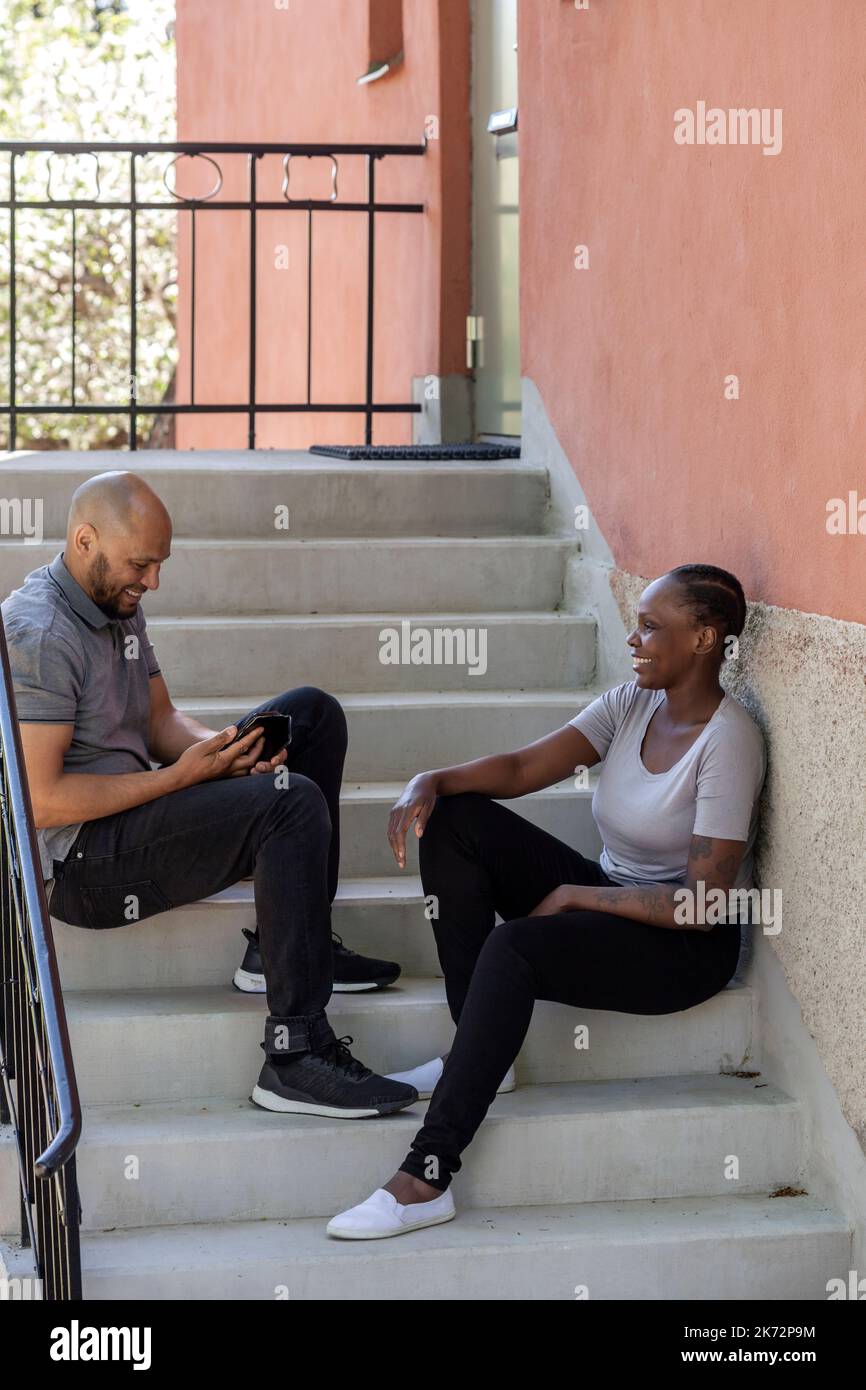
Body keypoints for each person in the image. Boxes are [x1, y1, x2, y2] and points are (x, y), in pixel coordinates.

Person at [327, 564, 767, 1237]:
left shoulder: (728, 740)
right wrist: (432, 779)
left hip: (683, 944)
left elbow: (704, 905)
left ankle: (427, 1176)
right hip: (614, 890)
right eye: (636, 624)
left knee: (516, 947)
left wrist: (577, 897)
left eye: (652, 626)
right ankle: (481, 1054)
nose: (634, 639)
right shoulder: (631, 703)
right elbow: (524, 769)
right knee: (454, 820)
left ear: (705, 638)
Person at [1, 470, 417, 1119]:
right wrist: (181, 778)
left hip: (141, 808)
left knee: (311, 714)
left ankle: (281, 947)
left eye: (160, 564)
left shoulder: (117, 601)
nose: (154, 582)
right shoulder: (38, 634)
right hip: (82, 864)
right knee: (292, 801)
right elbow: (40, 802)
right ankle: (296, 1055)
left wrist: (224, 751)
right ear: (85, 540)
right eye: (143, 563)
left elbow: (161, 721)